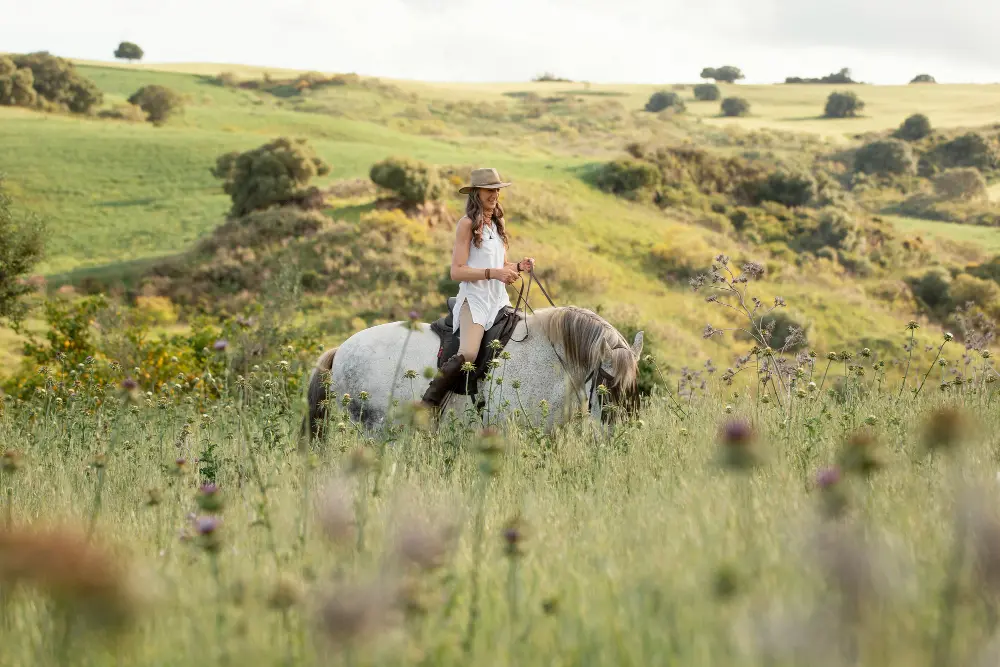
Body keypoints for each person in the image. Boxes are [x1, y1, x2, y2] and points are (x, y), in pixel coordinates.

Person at [421, 167, 534, 409]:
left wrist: (518, 266)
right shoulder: (466, 224)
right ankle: (429, 403)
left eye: (497, 190)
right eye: (489, 190)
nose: (494, 195)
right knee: (469, 354)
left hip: (499, 300)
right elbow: (457, 271)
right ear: (476, 193)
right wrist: (495, 273)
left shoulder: (498, 223)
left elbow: (501, 265)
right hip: (475, 300)